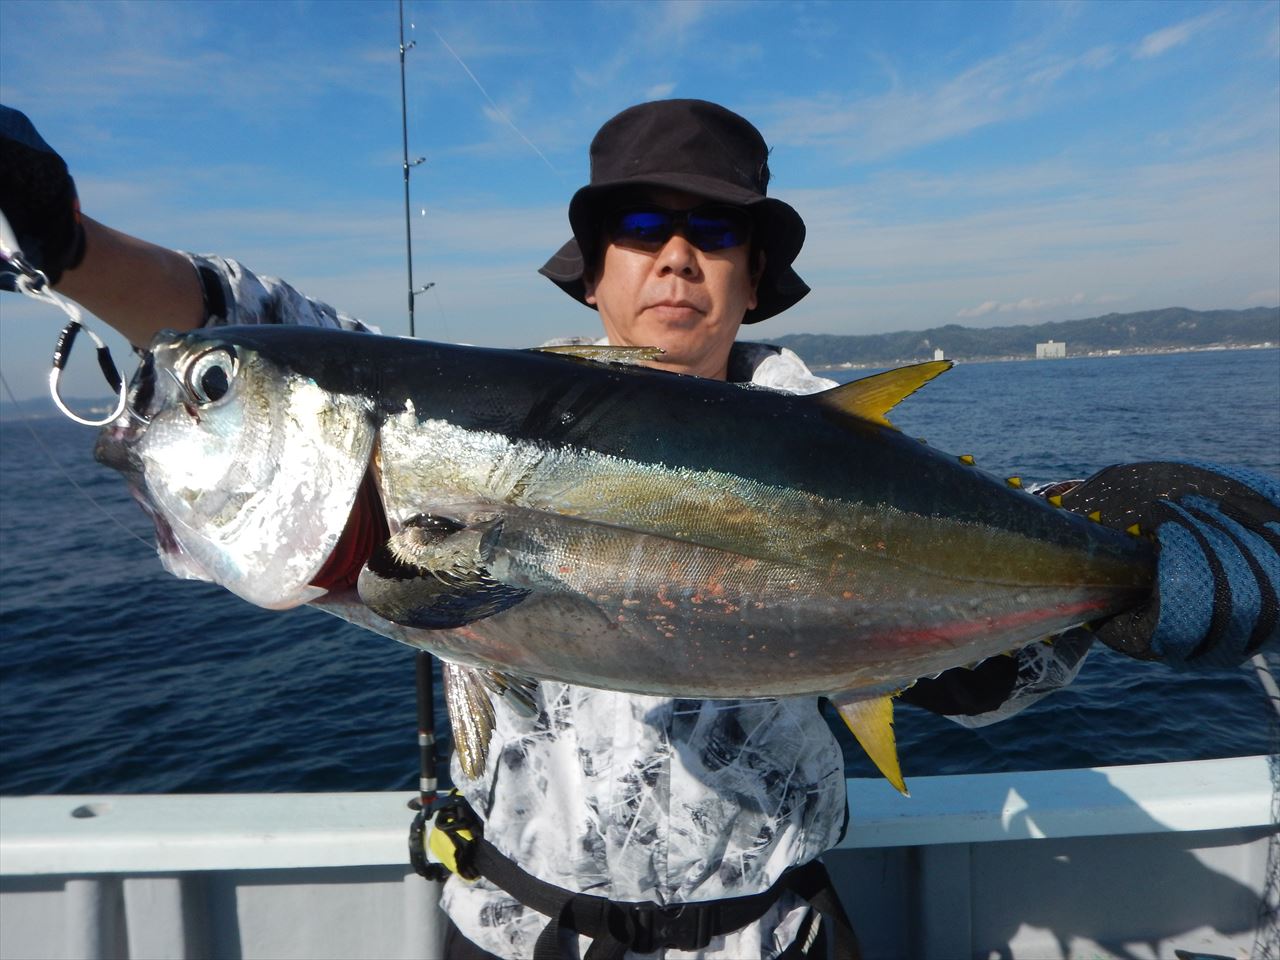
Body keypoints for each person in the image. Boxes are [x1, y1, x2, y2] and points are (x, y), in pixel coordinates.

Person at [3, 99, 1277, 959]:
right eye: (639, 227)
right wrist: (60, 240)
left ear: (749, 275)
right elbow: (240, 323)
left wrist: (1120, 596)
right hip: (514, 931)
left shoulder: (832, 435)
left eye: (714, 232)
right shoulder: (462, 402)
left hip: (765, 940)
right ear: (595, 267)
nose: (676, 256)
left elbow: (978, 667)